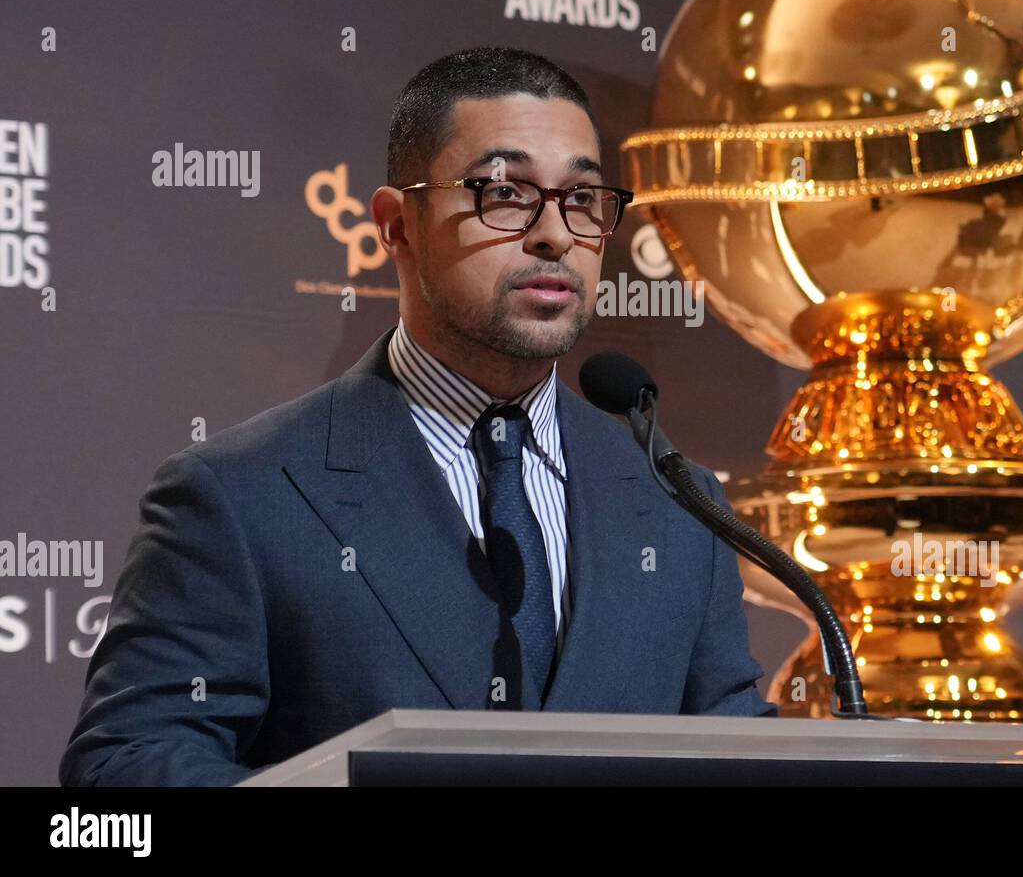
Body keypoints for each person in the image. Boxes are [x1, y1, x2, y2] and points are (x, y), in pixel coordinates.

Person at [59, 46, 777, 788]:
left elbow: (735, 750)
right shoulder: (239, 496)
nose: (556, 235)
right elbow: (125, 772)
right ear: (399, 225)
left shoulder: (676, 501)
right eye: (504, 193)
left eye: (582, 200)